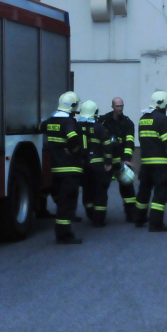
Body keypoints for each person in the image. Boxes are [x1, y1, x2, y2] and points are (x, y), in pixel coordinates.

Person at [40, 91, 85, 244]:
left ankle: (63, 233)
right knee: (67, 205)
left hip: (56, 170)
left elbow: (39, 127)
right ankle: (64, 235)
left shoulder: (51, 121)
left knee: (62, 203)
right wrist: (75, 151)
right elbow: (73, 138)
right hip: (70, 170)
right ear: (72, 106)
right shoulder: (69, 122)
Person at [134, 90, 167, 232]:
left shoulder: (143, 118)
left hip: (146, 163)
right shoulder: (162, 119)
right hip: (161, 165)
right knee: (161, 194)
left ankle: (139, 219)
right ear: (161, 104)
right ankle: (155, 224)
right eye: (166, 104)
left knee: (144, 192)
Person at [98, 97, 137, 221]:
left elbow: (130, 143)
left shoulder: (128, 123)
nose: (120, 109)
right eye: (117, 106)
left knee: (127, 187)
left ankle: (131, 214)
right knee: (101, 188)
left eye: (121, 106)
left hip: (120, 161)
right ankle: (98, 218)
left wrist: (127, 159)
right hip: (107, 161)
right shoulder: (104, 121)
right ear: (112, 107)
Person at [79, 101, 113, 227]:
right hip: (98, 165)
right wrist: (108, 162)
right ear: (95, 112)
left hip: (83, 164)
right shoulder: (99, 127)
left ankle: (90, 214)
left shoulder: (76, 126)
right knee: (100, 192)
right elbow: (107, 145)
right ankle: (98, 220)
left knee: (87, 190)